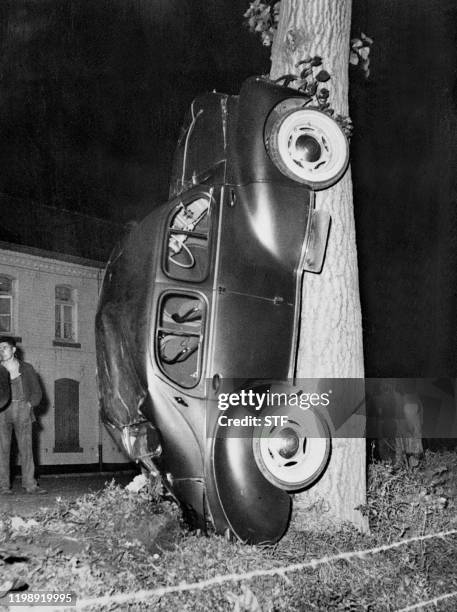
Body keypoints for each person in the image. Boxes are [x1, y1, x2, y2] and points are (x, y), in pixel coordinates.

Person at [0, 337, 47, 494]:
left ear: (13, 350)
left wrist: (29, 405)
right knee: (2, 450)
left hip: (22, 409)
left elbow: (37, 392)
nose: (1, 351)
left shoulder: (26, 368)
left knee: (26, 449)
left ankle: (30, 485)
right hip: (2, 412)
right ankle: (3, 486)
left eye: (4, 347)